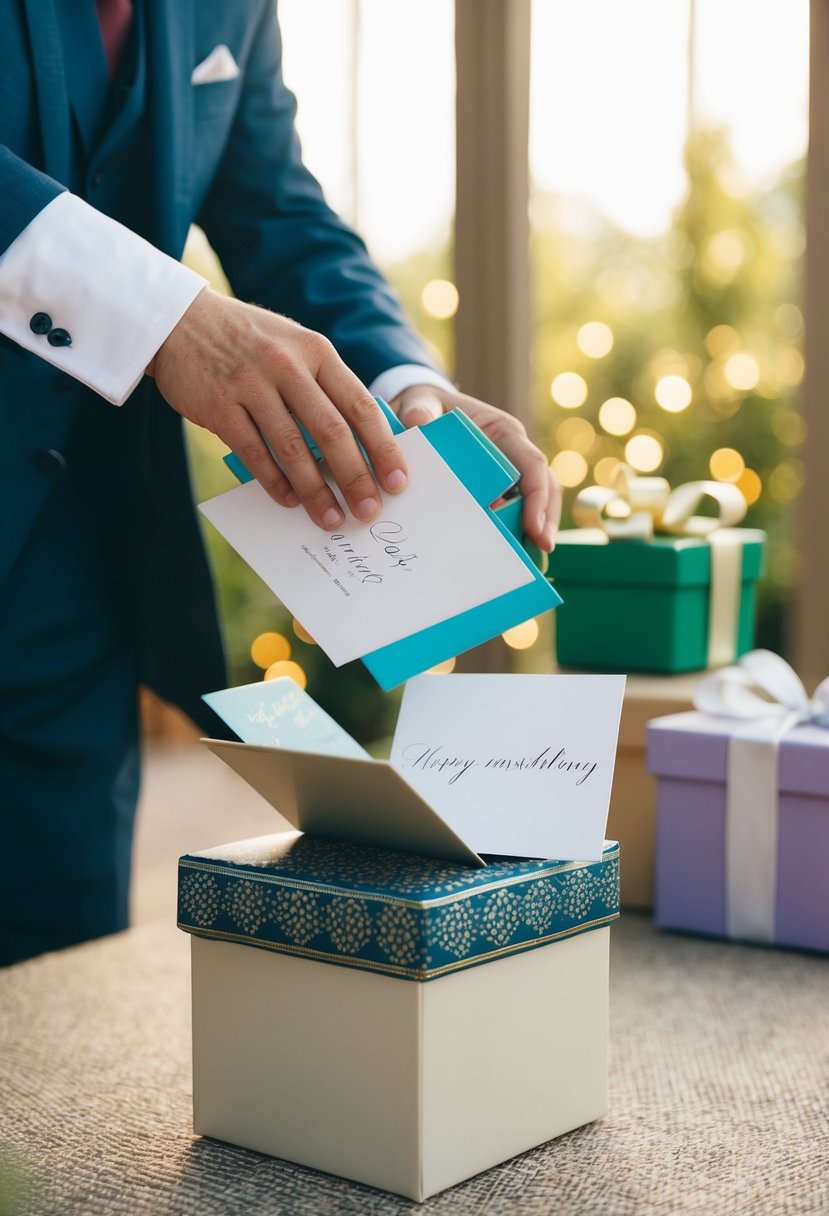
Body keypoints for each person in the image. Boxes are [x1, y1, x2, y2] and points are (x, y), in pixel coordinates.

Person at [0, 0, 561, 966]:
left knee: (52, 987)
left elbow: (280, 210)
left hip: (79, 565)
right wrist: (164, 317)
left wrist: (406, 389)